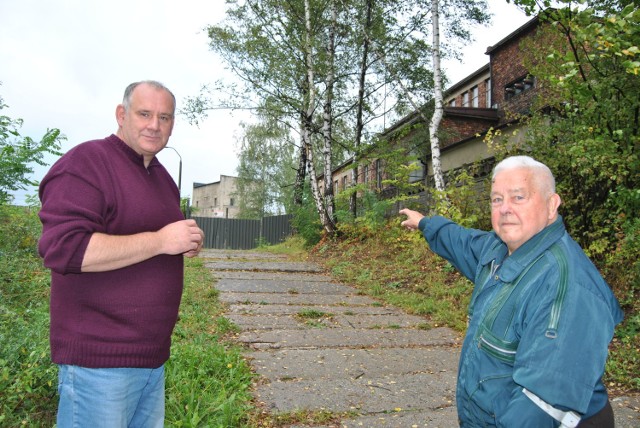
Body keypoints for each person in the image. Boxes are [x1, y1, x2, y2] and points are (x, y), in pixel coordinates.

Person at [400, 156, 623, 427]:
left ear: (551, 205)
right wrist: (426, 224)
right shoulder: (500, 250)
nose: (505, 209)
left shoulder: (565, 288)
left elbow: (539, 408)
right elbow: (463, 242)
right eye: (497, 199)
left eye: (518, 197)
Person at [38, 80, 205, 427]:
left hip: (151, 360)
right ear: (121, 114)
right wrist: (160, 241)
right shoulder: (87, 162)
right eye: (144, 114)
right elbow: (64, 248)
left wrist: (182, 241)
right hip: (98, 364)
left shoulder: (160, 176)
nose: (154, 125)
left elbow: (156, 238)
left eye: (164, 117)